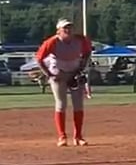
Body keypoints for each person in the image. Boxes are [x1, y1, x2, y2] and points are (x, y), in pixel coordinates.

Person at [34, 18, 93, 146]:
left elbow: (88, 52)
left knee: (78, 105)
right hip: (59, 74)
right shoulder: (52, 42)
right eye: (65, 28)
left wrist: (82, 66)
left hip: (75, 73)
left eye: (70, 27)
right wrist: (49, 74)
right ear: (58, 31)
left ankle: (78, 137)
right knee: (61, 104)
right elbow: (39, 58)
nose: (68, 30)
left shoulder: (80, 40)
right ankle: (62, 137)